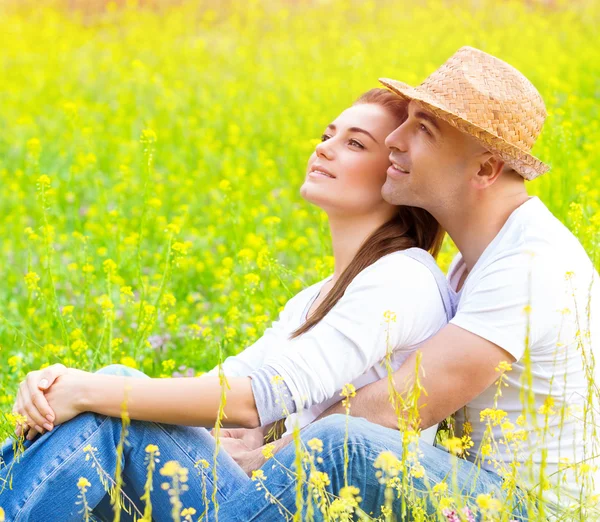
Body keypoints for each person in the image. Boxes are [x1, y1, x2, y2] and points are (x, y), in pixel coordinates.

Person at [0, 88, 454, 521]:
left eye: (355, 143)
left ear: (397, 175)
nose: (325, 148)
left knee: (112, 400)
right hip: (271, 492)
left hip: (310, 507)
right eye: (326, 135)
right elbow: (226, 386)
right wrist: (60, 384)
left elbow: (260, 397)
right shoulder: (316, 297)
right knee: (110, 408)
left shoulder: (402, 278)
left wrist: (85, 390)